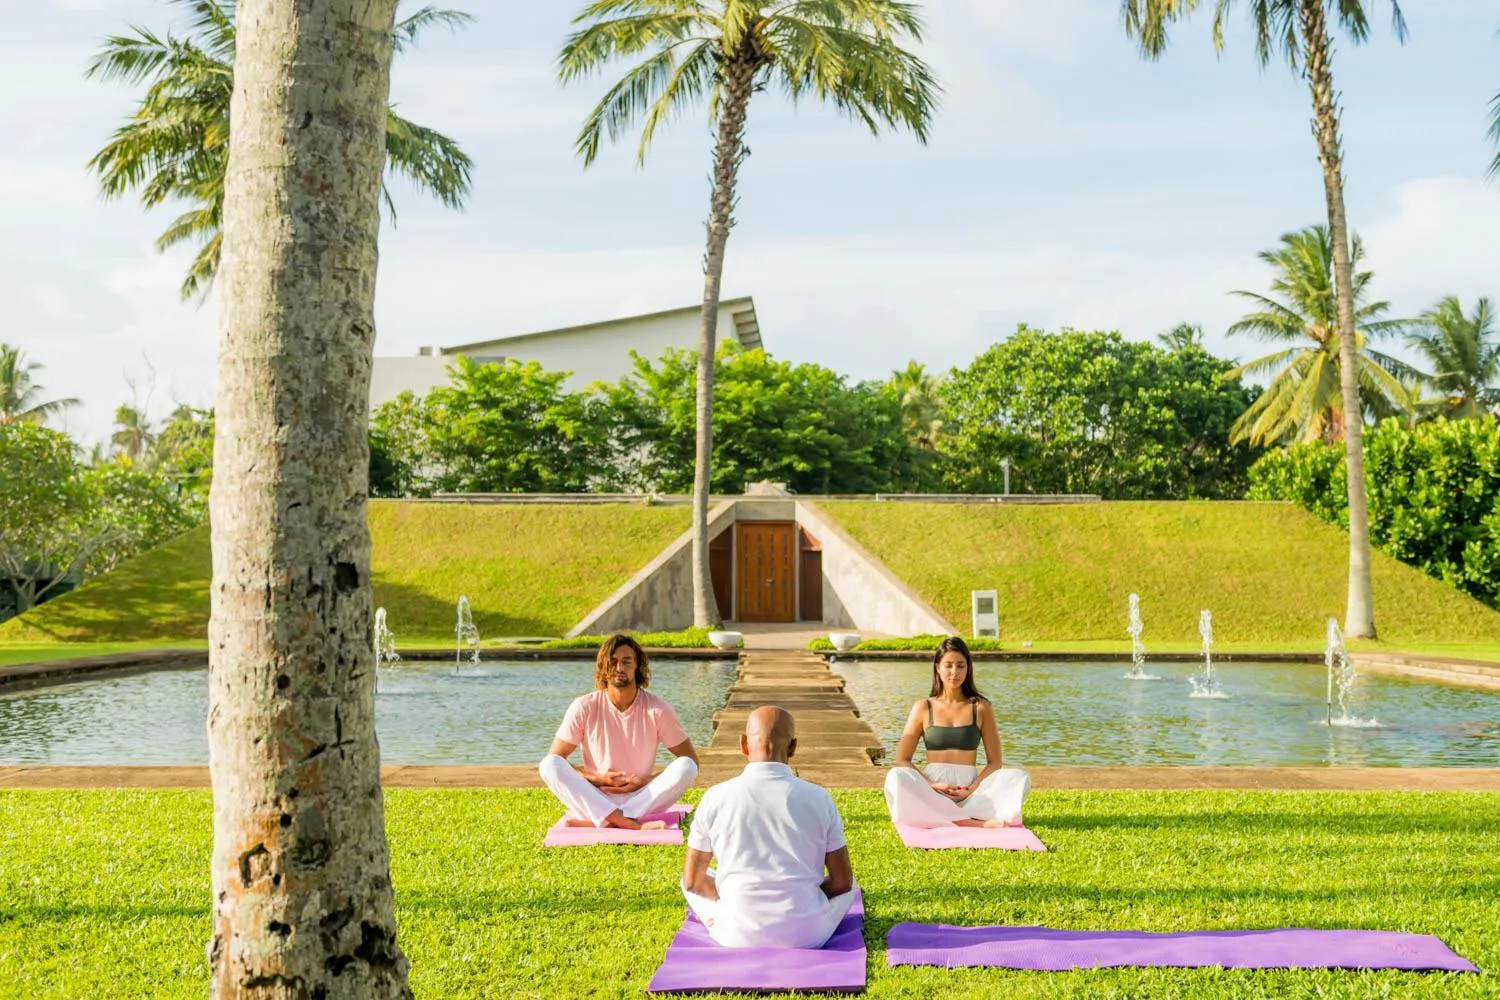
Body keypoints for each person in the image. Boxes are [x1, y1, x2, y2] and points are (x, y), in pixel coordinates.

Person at [680, 706, 857, 949]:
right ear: (793, 747)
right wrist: (801, 896)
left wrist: (738, 899)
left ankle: (734, 909)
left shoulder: (715, 797)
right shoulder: (819, 798)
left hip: (736, 934)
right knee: (852, 886)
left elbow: (692, 882)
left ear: (743, 744)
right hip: (807, 935)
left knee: (690, 878)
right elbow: (842, 884)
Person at [539, 633, 699, 830]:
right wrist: (598, 779)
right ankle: (628, 823)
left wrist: (643, 781)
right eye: (613, 661)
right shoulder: (584, 706)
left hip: (643, 798)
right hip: (595, 796)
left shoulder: (658, 709)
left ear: (637, 666)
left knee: (687, 766)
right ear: (603, 666)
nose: (619, 668)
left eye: (626, 661)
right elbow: (557, 758)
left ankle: (610, 820)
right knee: (549, 764)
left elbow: (691, 760)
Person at [883, 636, 1030, 828]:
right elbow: (903, 758)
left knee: (1020, 778)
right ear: (938, 667)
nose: (955, 672)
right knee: (896, 776)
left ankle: (947, 818)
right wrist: (932, 785)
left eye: (961, 666)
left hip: (970, 792)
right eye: (948, 665)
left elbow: (995, 762)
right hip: (931, 790)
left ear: (968, 668)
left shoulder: (981, 707)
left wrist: (970, 790)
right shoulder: (923, 707)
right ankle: (968, 822)